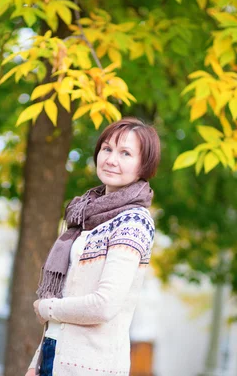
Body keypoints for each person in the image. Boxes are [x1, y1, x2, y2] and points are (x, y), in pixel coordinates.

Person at [25, 117, 161, 376]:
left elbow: (104, 305)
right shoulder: (85, 219)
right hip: (53, 356)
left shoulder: (133, 221)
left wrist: (46, 307)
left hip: (91, 366)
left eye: (125, 153)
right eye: (107, 149)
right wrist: (35, 363)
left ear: (144, 165)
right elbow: (68, 292)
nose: (111, 159)